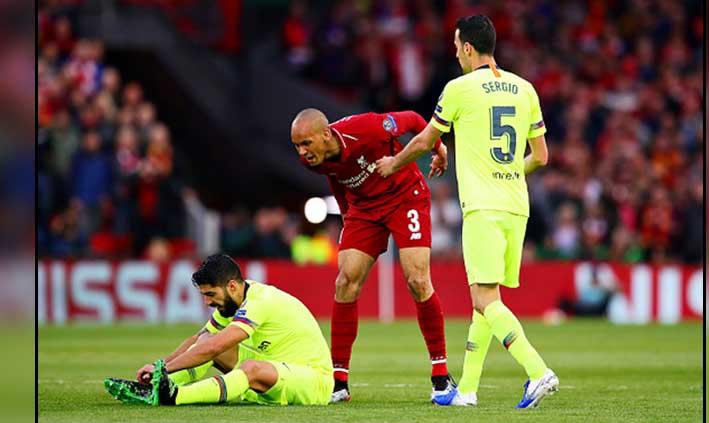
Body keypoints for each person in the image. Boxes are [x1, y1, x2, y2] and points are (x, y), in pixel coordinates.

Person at [375, 15, 559, 409]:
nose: (455, 52)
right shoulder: (525, 89)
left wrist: (394, 164)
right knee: (485, 297)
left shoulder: (458, 89)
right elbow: (541, 157)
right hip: (516, 206)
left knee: (484, 299)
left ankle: (537, 371)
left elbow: (426, 139)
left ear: (469, 48)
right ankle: (468, 390)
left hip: (483, 207)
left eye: (457, 45)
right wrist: (508, 170)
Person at [290, 108, 454, 404]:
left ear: (325, 134)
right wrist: (346, 217)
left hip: (405, 197)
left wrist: (439, 148)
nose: (302, 152)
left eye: (306, 143)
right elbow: (334, 176)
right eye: (297, 146)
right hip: (364, 211)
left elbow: (415, 120)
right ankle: (339, 382)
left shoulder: (367, 128)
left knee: (417, 279)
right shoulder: (311, 161)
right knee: (345, 282)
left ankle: (441, 376)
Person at [103, 254, 333, 406]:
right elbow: (201, 340)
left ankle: (175, 396)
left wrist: (167, 368)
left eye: (210, 294)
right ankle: (157, 389)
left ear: (232, 286)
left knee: (243, 363)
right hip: (275, 369)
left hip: (313, 380)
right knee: (206, 339)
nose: (206, 303)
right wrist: (159, 368)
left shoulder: (261, 301)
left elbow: (216, 346)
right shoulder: (235, 299)